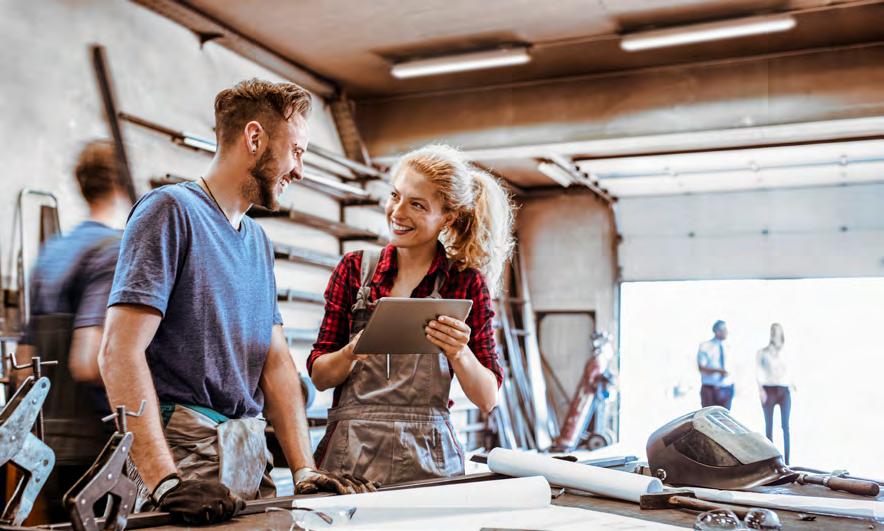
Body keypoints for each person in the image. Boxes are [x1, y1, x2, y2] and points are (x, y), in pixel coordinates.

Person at [98, 79, 371, 526]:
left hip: (247, 448)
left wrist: (304, 470)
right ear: (254, 138)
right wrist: (165, 482)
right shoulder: (170, 212)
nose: (298, 170)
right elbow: (118, 351)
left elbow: (277, 362)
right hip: (183, 454)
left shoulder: (258, 242)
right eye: (296, 151)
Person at [308, 144, 513, 486]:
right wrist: (353, 351)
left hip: (429, 461)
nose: (397, 212)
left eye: (417, 204)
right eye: (395, 196)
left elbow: (487, 398)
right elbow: (319, 376)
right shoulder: (355, 271)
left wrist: (459, 351)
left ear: (448, 217)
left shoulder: (464, 283)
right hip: (348, 460)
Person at [15, 140, 129, 523]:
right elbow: (86, 362)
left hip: (45, 448)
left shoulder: (52, 253)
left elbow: (20, 367)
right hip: (95, 453)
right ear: (122, 182)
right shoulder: (111, 251)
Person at [756, 323, 793, 464]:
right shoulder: (763, 352)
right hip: (768, 390)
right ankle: (771, 461)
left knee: (785, 426)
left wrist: (793, 384)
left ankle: (788, 462)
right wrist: (761, 390)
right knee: (769, 426)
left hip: (784, 390)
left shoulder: (786, 352)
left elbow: (790, 370)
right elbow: (758, 372)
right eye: (773, 331)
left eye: (777, 332)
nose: (775, 334)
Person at [697, 320, 734, 410]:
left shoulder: (730, 346)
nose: (726, 332)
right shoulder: (705, 346)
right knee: (708, 419)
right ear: (717, 331)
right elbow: (701, 368)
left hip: (726, 388)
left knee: (724, 419)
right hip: (710, 389)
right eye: (724, 330)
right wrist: (718, 371)